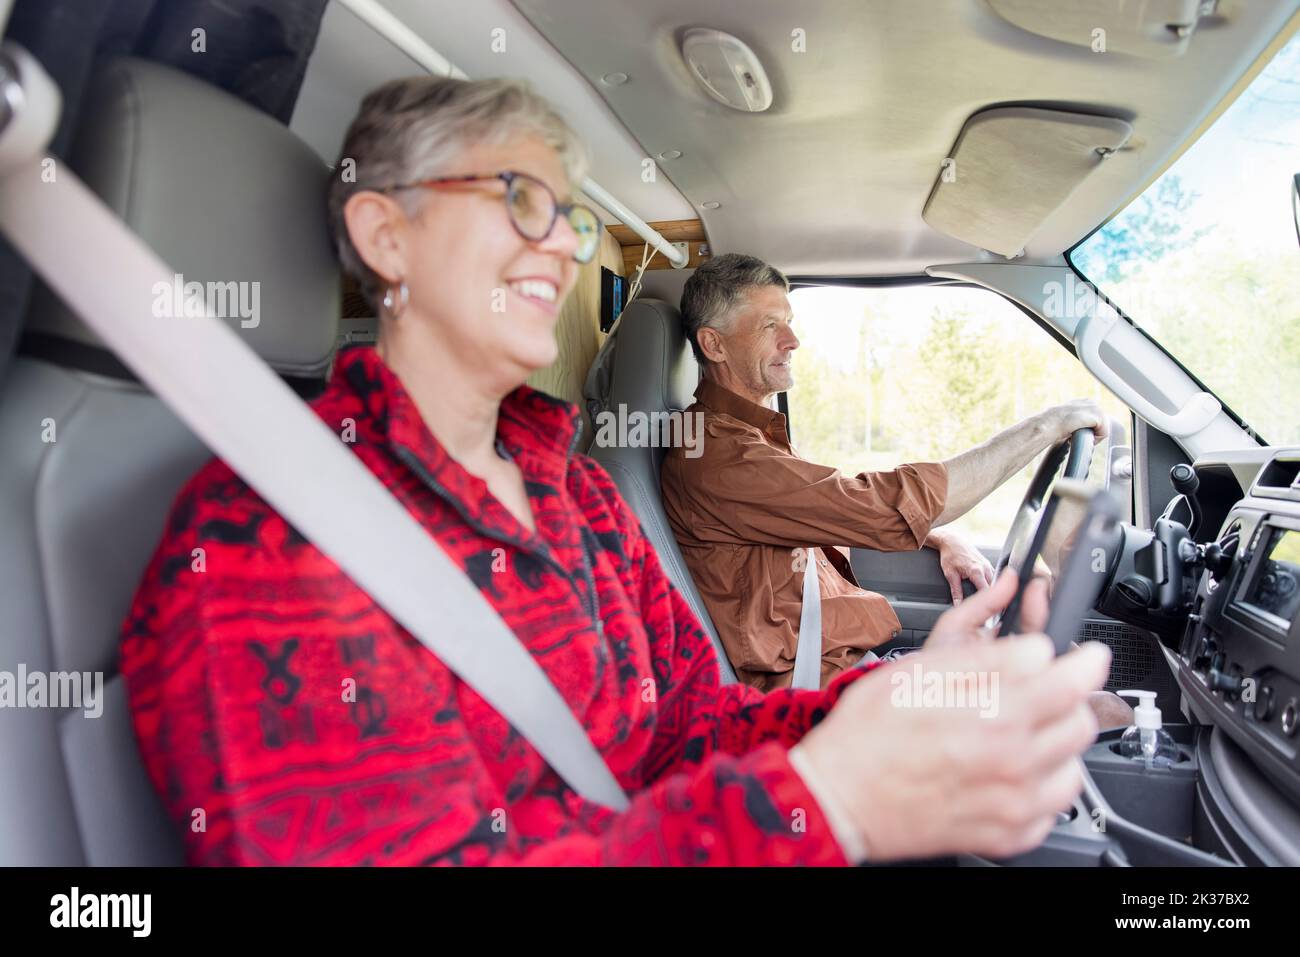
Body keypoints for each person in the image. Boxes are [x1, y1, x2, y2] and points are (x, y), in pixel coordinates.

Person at [120, 75, 1111, 866]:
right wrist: (830, 806)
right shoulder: (268, 539)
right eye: (519, 200)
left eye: (568, 218)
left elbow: (700, 731)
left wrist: (894, 702)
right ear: (388, 236)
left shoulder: (580, 494)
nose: (558, 244)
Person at [660, 254, 1114, 697]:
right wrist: (1043, 428)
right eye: (769, 325)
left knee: (1059, 679)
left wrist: (937, 536)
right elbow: (874, 504)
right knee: (1095, 708)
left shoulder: (748, 436)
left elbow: (827, 506)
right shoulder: (720, 456)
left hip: (852, 670)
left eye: (789, 321)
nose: (793, 340)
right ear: (714, 345)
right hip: (816, 694)